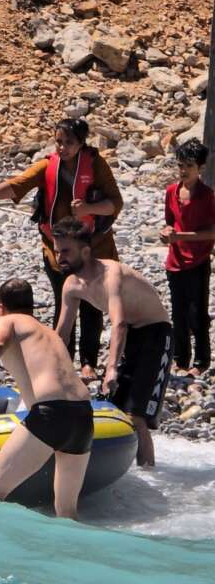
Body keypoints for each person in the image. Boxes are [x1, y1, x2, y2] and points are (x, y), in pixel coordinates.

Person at [0, 117, 123, 381]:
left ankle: (88, 363)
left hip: (92, 249)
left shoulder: (96, 165)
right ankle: (64, 360)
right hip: (58, 251)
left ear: (81, 143)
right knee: (63, 304)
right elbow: (17, 185)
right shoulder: (48, 165)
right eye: (58, 142)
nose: (62, 148)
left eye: (69, 143)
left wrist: (89, 208)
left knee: (90, 306)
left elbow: (115, 203)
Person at [0, 278, 93, 519]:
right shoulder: (48, 332)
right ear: (31, 306)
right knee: (67, 512)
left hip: (52, 414)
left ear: (0, 306)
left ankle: (0, 542)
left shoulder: (7, 320)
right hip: (84, 414)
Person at [52, 217, 172, 467]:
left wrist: (111, 369)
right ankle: (120, 472)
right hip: (130, 335)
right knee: (114, 412)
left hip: (156, 335)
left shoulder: (110, 275)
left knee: (135, 416)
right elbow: (61, 333)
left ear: (85, 251)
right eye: (57, 251)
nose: (59, 257)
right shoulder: (72, 285)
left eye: (65, 251)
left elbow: (118, 323)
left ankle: (150, 474)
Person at [161, 139, 215, 377]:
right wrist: (166, 232)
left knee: (197, 313)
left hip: (198, 261)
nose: (183, 171)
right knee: (178, 313)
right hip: (175, 261)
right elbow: (169, 222)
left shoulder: (207, 196)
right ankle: (180, 359)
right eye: (180, 165)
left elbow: (212, 232)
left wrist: (180, 236)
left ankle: (202, 361)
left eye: (189, 166)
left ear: (200, 167)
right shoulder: (171, 191)